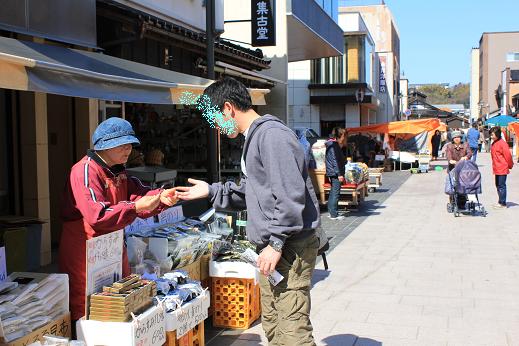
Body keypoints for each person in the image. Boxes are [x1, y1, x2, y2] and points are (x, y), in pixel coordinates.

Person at [176, 77, 320, 346]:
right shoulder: (254, 138)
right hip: (274, 248)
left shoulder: (271, 136)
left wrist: (276, 243)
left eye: (214, 118)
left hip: (289, 248)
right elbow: (252, 192)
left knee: (293, 332)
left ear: (228, 108)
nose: (215, 127)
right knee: (275, 327)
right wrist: (211, 191)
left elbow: (290, 196)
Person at [60, 118, 178, 322]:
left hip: (112, 246)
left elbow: (140, 195)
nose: (128, 149)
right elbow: (96, 215)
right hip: (85, 249)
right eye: (123, 145)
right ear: (105, 146)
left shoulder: (118, 171)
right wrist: (134, 207)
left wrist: (162, 197)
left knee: (118, 300)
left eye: (130, 145)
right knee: (86, 305)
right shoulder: (84, 170)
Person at [446, 131, 472, 209]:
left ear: (461, 138)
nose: (457, 139)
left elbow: (469, 153)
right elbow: (449, 157)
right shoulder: (449, 146)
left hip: (463, 169)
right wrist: (452, 161)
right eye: (455, 137)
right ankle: (453, 202)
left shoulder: (465, 144)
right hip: (452, 169)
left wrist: (466, 157)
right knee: (453, 185)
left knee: (463, 185)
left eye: (458, 137)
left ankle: (462, 202)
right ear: (452, 139)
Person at [325, 127, 346, 220]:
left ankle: (332, 211)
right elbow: (335, 161)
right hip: (335, 172)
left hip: (332, 172)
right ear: (340, 135)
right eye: (343, 136)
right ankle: (334, 214)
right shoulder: (333, 145)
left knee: (333, 192)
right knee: (335, 193)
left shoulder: (332, 144)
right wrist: (339, 174)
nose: (344, 138)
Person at [490, 126, 513, 209]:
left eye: (492, 135)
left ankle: (503, 203)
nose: (491, 137)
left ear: (497, 134)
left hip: (502, 167)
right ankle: (500, 201)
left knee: (501, 185)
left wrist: (510, 165)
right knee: (498, 185)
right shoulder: (494, 143)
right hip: (496, 168)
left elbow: (508, 156)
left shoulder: (503, 144)